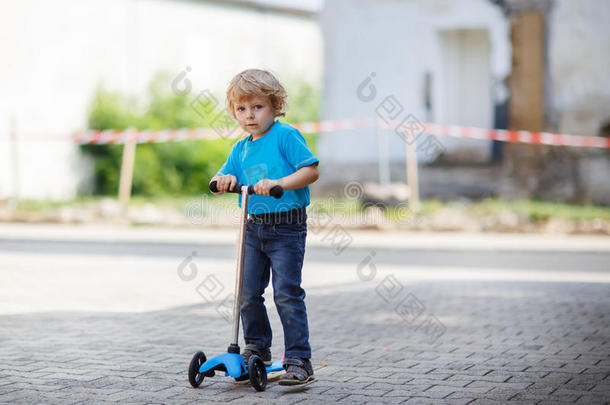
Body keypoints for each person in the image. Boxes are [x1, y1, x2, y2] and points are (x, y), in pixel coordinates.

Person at [209, 69, 319, 385]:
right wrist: (223, 181)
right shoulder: (240, 149)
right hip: (252, 227)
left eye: (257, 107)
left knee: (286, 293)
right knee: (246, 293)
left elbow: (310, 170)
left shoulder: (286, 136)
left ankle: (299, 359)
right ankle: (257, 348)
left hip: (287, 227)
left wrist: (280, 183)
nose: (249, 115)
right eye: (241, 109)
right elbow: (221, 177)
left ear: (274, 106)